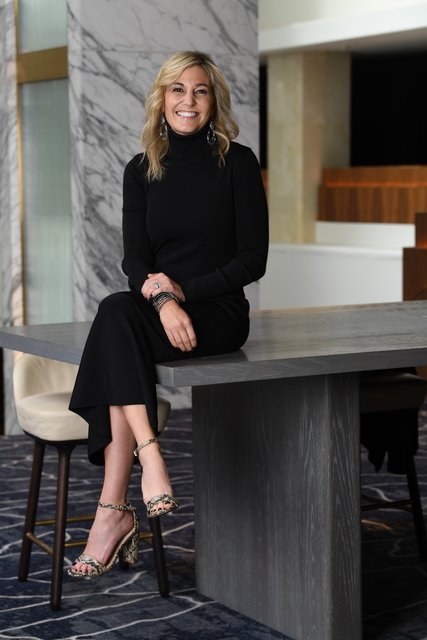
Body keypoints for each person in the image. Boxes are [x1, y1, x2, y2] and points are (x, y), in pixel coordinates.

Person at [67, 50, 269, 578]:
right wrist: (162, 300)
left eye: (199, 90)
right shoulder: (141, 169)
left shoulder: (238, 162)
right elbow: (134, 259)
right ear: (161, 99)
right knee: (116, 312)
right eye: (177, 89)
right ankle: (149, 461)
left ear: (213, 101)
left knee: (114, 329)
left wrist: (182, 291)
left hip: (220, 311)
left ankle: (115, 509)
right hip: (160, 310)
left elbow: (254, 260)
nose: (188, 100)